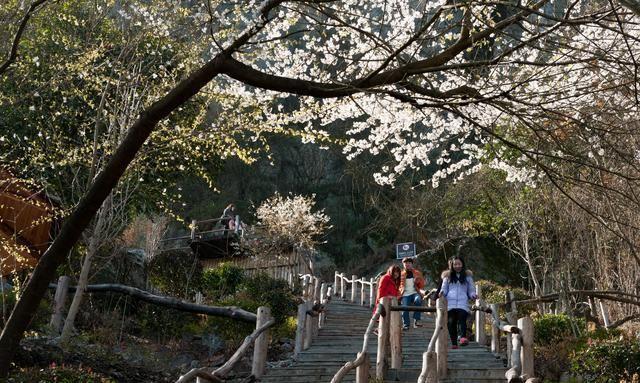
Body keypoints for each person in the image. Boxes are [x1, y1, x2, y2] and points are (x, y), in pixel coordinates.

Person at [439, 255, 477, 349]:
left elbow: (471, 290)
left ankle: (463, 337)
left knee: (462, 319)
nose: (457, 266)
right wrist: (442, 293)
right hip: (450, 303)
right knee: (451, 322)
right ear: (452, 265)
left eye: (459, 264)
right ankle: (454, 343)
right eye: (455, 264)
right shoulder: (447, 277)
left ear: (462, 264)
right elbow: (444, 289)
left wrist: (473, 295)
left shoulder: (467, 277)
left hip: (462, 302)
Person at [399, 257, 426, 330]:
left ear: (412, 264)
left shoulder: (417, 273)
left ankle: (416, 320)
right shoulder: (400, 274)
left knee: (418, 300)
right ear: (403, 264)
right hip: (404, 294)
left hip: (415, 292)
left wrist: (418, 282)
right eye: (405, 263)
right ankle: (406, 324)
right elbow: (397, 285)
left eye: (409, 263)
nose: (407, 264)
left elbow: (422, 285)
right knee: (404, 307)